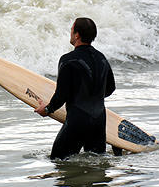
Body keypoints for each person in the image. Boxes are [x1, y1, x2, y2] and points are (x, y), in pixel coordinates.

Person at [34, 17, 116, 159]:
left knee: (59, 161)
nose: (70, 32)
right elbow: (110, 88)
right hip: (98, 121)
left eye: (72, 29)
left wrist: (47, 109)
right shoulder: (102, 58)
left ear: (77, 34)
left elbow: (61, 94)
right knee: (96, 169)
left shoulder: (68, 59)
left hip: (78, 121)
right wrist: (91, 98)